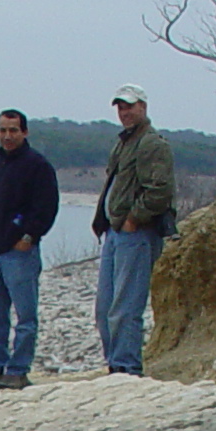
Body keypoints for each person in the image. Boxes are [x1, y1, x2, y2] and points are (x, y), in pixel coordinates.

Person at [0, 109, 61, 390]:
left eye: (13, 130)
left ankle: (18, 370)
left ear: (25, 132)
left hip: (19, 253)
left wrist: (29, 236)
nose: (8, 136)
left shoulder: (38, 166)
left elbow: (46, 207)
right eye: (3, 130)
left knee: (25, 316)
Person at [91, 84, 176, 374]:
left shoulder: (153, 144)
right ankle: (115, 363)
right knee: (105, 310)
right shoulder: (124, 143)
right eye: (120, 107)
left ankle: (126, 367)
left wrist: (134, 219)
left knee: (126, 308)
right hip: (115, 233)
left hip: (136, 235)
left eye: (129, 106)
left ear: (143, 106)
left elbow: (160, 190)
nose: (124, 112)